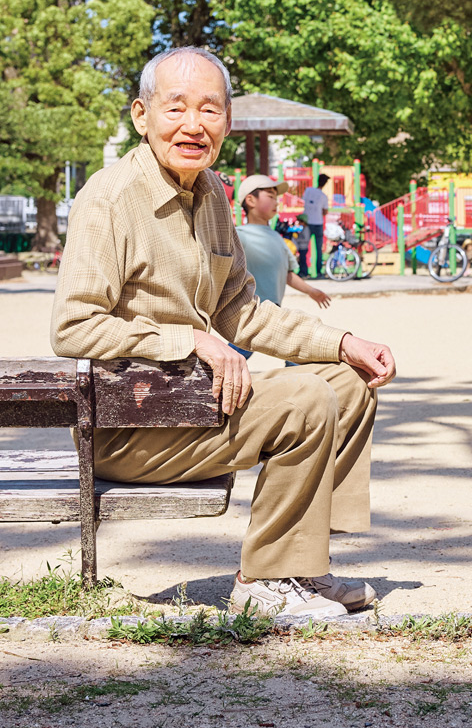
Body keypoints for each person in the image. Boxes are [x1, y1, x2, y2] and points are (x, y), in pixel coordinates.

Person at [52, 46, 397, 622]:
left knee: (347, 383)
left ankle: (300, 565)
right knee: (307, 397)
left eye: (210, 110)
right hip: (130, 427)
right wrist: (185, 340)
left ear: (227, 122)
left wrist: (343, 343)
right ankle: (261, 581)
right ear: (142, 116)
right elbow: (73, 327)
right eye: (176, 108)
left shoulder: (212, 192)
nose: (193, 125)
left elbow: (243, 312)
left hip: (195, 408)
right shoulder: (107, 199)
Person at [233, 174, 333, 361]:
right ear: (250, 200)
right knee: (237, 355)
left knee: (297, 350)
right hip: (253, 313)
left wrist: (311, 291)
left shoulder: (277, 238)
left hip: (274, 311)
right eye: (270, 196)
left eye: (276, 198)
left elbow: (288, 274)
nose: (276, 202)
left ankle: (295, 384)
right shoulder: (240, 236)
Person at [301, 173, 330, 278]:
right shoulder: (323, 196)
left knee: (304, 248)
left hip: (307, 223)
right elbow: (325, 211)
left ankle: (303, 271)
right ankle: (318, 272)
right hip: (318, 223)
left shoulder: (308, 190)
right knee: (318, 249)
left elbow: (303, 201)